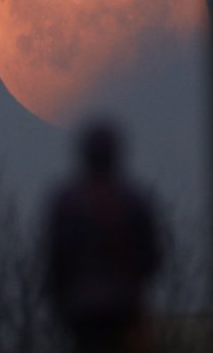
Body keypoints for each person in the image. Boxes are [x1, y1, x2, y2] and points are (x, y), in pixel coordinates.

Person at [43, 119, 162, 353]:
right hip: (123, 304)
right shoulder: (132, 201)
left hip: (81, 308)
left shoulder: (67, 203)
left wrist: (59, 297)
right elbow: (152, 256)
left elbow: (56, 258)